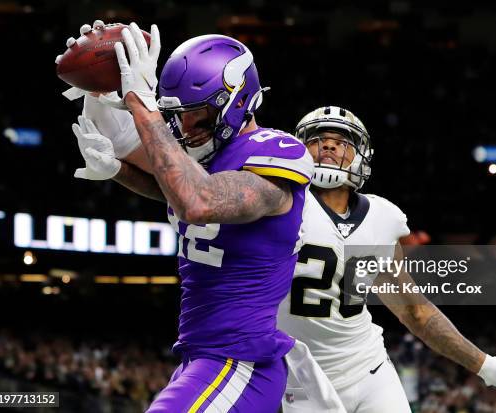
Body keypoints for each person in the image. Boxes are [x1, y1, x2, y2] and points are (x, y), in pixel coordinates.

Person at [58, 21, 321, 412]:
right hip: (202, 358)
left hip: (241, 361)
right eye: (177, 115)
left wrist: (141, 104)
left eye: (196, 113)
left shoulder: (279, 151)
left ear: (236, 100)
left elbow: (199, 202)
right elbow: (157, 172)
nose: (184, 127)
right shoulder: (204, 156)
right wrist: (101, 93)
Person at [276, 106, 496, 412]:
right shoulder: (278, 203)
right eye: (317, 139)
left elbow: (414, 311)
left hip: (368, 369)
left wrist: (484, 364)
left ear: (361, 155)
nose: (329, 145)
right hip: (298, 376)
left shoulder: (382, 217)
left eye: (343, 141)